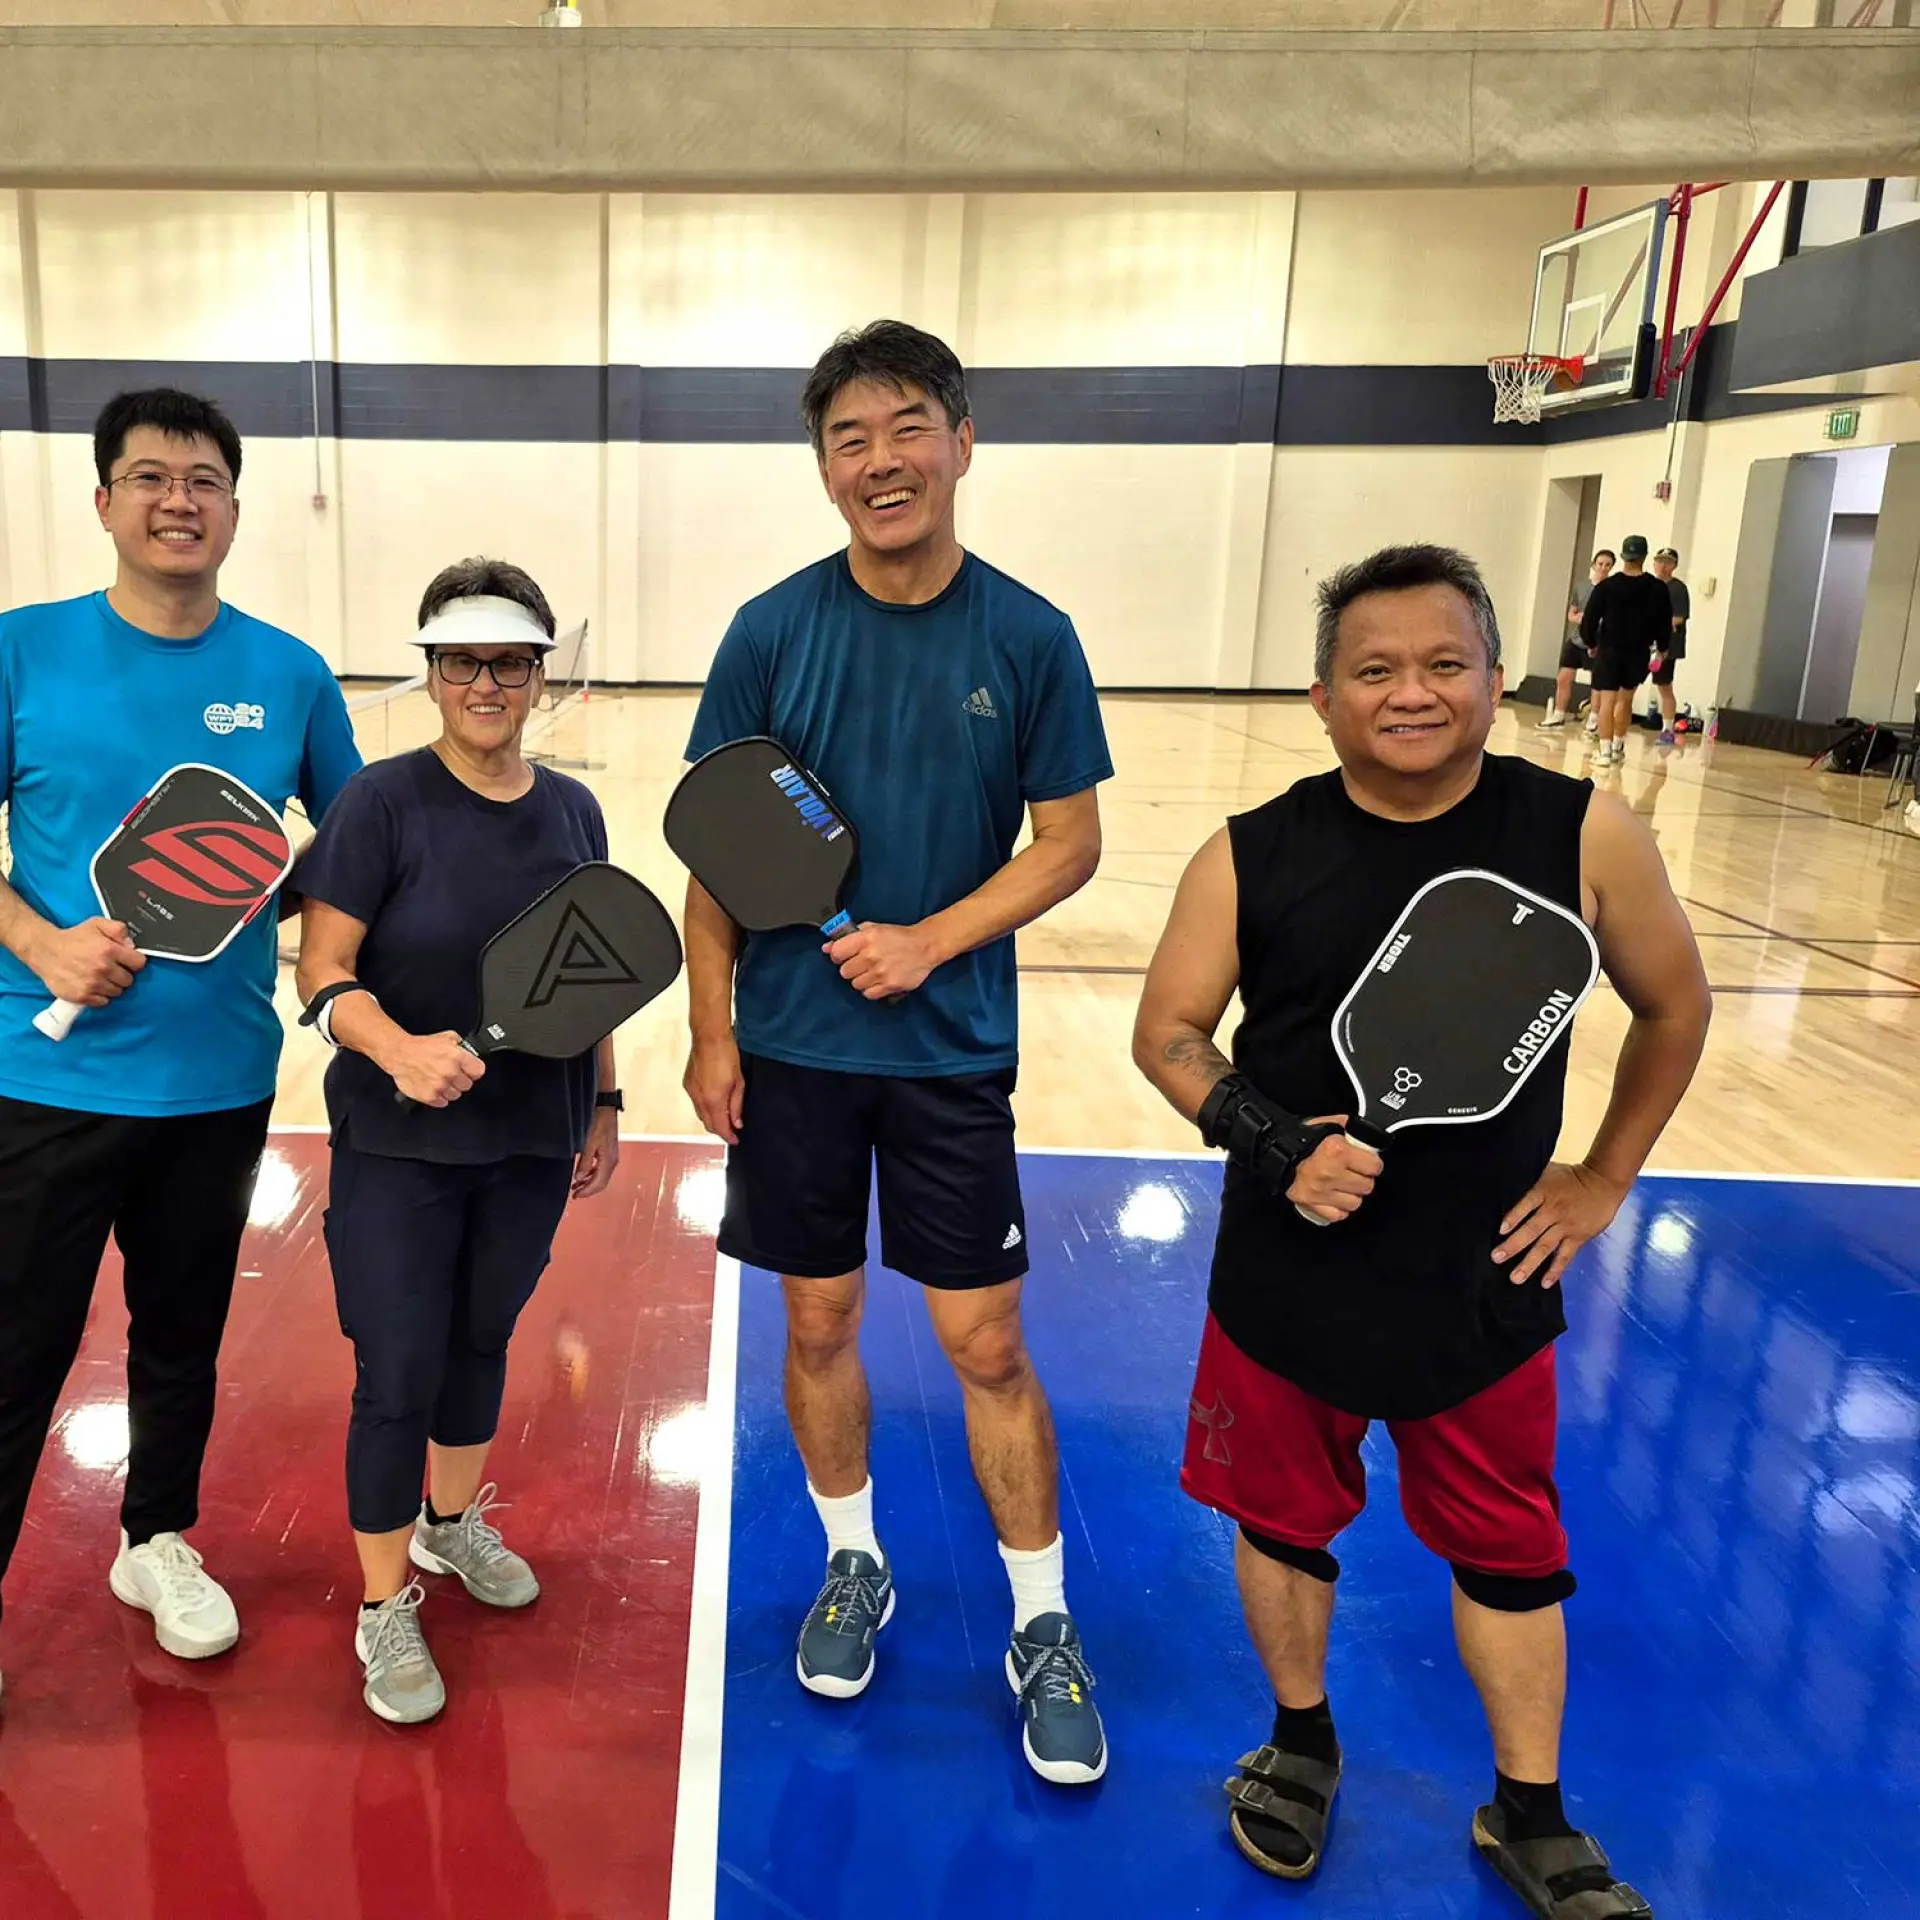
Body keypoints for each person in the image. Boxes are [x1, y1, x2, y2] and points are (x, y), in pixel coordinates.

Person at [1133, 544, 1709, 1915]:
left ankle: (1531, 1811)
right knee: (1282, 1527)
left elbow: (1675, 1006)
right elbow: (1169, 1033)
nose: (1412, 692)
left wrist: (1603, 1178)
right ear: (1322, 697)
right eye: (1375, 669)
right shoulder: (1251, 852)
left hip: (1485, 1274)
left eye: (1446, 664)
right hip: (1289, 1271)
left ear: (1498, 681)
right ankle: (1301, 1740)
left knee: (1512, 1549)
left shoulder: (1582, 834)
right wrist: (1275, 1143)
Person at [681, 320, 1113, 1784]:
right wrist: (711, 1028)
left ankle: (1042, 1622)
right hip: (795, 1055)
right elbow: (719, 847)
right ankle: (852, 1560)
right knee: (816, 1324)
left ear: (963, 442)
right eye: (849, 440)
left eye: (908, 427)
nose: (881, 460)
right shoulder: (769, 632)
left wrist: (929, 940)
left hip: (948, 1053)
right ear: (823, 470)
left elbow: (1070, 842)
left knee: (985, 1341)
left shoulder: (1029, 636)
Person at [0, 388, 361, 1699]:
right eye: (150, 477)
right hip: (42, 1077)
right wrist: (43, 945)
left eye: (204, 480)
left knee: (179, 1340)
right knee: (16, 1351)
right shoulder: (22, 651)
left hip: (214, 1083)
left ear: (234, 510)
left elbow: (354, 851)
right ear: (105, 502)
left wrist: (267, 892)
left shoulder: (288, 674)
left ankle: (155, 1540)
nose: (178, 500)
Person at [293, 559, 623, 1725]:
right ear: (431, 674)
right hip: (398, 1144)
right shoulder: (378, 803)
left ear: (540, 676)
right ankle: (384, 1606)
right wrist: (397, 1050)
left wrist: (605, 1101)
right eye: (463, 662)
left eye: (510, 663)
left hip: (530, 1134)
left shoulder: (574, 810)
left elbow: (593, 969)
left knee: (482, 1341)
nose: (487, 684)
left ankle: (448, 1526)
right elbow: (322, 973)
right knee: (398, 1373)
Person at [1579, 535, 1671, 768]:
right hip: (1638, 651)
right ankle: (1618, 746)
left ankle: (1604, 750)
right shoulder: (1657, 588)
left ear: (1622, 556)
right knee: (1626, 700)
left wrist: (1591, 643)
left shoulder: (1606, 587)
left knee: (1607, 701)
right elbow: (1664, 623)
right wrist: (1662, 648)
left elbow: (1589, 620)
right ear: (1644, 556)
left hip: (1609, 649)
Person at [1536, 548, 1612, 731]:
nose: (1603, 568)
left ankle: (1594, 717)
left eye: (1607, 565)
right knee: (1564, 677)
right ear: (1594, 565)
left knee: (1597, 682)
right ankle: (1559, 714)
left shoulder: (1611, 590)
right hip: (1577, 639)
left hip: (1598, 640)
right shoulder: (1581, 587)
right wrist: (1583, 618)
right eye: (1600, 564)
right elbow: (1572, 614)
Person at [1649, 549, 1689, 745]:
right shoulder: (1649, 585)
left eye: (1668, 562)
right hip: (1645, 642)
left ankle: (1667, 729)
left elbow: (1678, 618)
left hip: (1666, 645)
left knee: (1664, 686)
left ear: (1674, 566)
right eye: (1660, 561)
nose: (1663, 566)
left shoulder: (1677, 589)